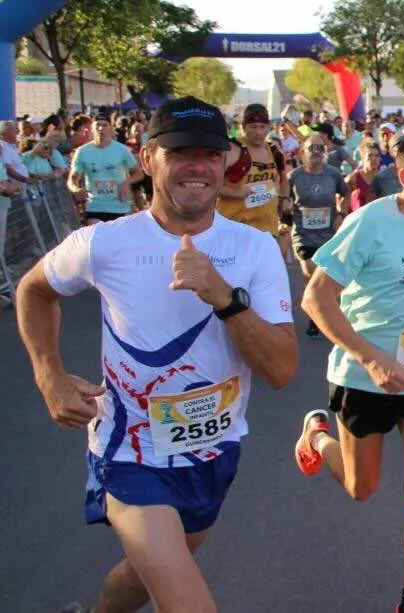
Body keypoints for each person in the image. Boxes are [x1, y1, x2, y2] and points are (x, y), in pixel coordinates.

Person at [16, 96, 297, 613]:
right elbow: (33, 290)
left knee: (144, 579)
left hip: (214, 449)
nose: (198, 166)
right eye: (180, 152)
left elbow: (281, 370)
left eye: (211, 155)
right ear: (147, 160)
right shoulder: (104, 243)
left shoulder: (254, 248)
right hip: (129, 451)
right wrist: (47, 374)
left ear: (226, 162)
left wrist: (226, 299)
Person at [291, 131, 404, 613]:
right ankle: (317, 437)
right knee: (362, 488)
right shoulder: (370, 222)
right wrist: (371, 358)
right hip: (362, 377)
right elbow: (315, 299)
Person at [289, 134, 350, 337]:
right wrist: (283, 216)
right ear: (302, 152)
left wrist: (341, 213)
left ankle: (319, 314)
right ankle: (315, 312)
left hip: (327, 234)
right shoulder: (295, 176)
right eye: (312, 147)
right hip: (303, 233)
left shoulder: (332, 174)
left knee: (323, 277)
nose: (316, 151)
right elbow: (283, 200)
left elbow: (346, 193)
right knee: (309, 271)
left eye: (320, 148)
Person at [215, 104, 290, 245]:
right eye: (253, 127)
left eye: (262, 127)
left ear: (269, 127)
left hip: (267, 231)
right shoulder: (232, 150)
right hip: (234, 231)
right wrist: (235, 193)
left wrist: (284, 198)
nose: (259, 132)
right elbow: (209, 185)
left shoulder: (274, 151)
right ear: (243, 127)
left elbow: (284, 179)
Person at [68, 114, 144, 224]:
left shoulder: (122, 150)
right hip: (94, 206)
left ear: (111, 129)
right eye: (97, 125)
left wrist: (125, 183)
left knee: (118, 240)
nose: (101, 128)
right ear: (92, 129)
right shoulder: (82, 152)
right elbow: (72, 178)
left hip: (119, 206)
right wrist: (76, 189)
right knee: (97, 238)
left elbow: (138, 173)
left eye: (105, 125)